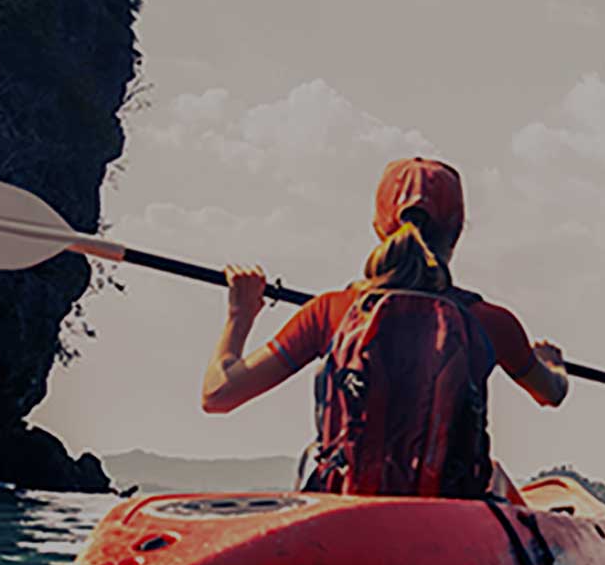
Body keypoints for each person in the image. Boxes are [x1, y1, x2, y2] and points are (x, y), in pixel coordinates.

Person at [200, 157, 567, 499]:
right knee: (495, 476)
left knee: (310, 458)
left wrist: (240, 314)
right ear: (456, 231)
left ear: (379, 227)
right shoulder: (491, 322)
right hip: (450, 513)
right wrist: (551, 365)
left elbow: (218, 395)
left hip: (346, 510)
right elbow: (550, 393)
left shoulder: (330, 312)